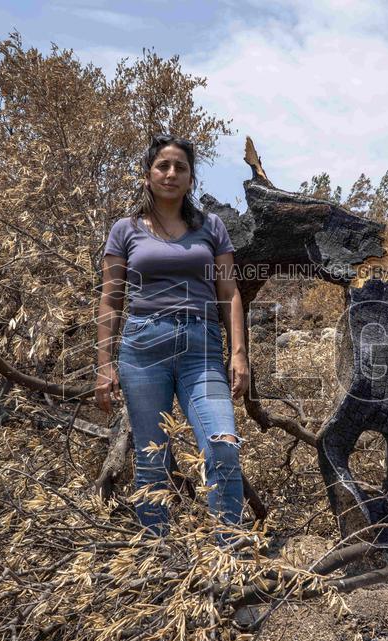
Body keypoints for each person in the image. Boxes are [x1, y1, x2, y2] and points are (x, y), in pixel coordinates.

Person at [95, 134, 250, 536]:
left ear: (191, 178)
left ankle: (227, 555)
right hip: (143, 348)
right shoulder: (125, 230)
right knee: (151, 458)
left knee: (222, 445)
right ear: (147, 175)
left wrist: (239, 354)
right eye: (163, 166)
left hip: (202, 348)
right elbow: (111, 300)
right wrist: (103, 365)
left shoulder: (211, 227)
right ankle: (158, 553)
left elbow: (230, 292)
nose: (171, 173)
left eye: (180, 167)